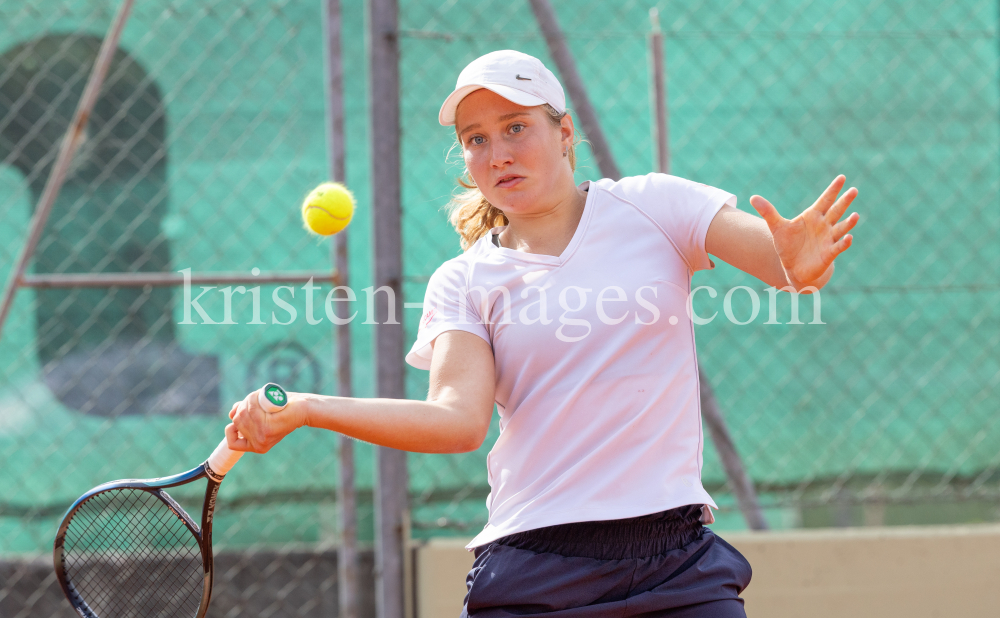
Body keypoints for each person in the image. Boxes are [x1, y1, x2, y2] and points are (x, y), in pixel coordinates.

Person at [227, 49, 859, 617]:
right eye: (475, 139)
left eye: (516, 127)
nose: (497, 153)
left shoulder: (656, 206)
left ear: (565, 134)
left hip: (678, 563)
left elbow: (780, 263)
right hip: (537, 575)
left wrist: (795, 265)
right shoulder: (464, 281)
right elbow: (456, 421)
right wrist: (309, 408)